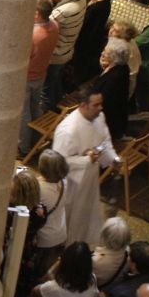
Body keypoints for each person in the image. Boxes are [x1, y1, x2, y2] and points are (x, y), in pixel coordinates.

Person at [51, 89, 118, 246]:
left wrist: (112, 158)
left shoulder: (99, 117)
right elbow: (58, 161)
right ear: (83, 105)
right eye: (96, 105)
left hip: (90, 178)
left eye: (101, 104)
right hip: (71, 183)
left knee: (86, 215)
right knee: (70, 218)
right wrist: (86, 160)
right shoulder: (68, 129)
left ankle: (82, 245)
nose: (101, 108)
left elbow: (105, 141)